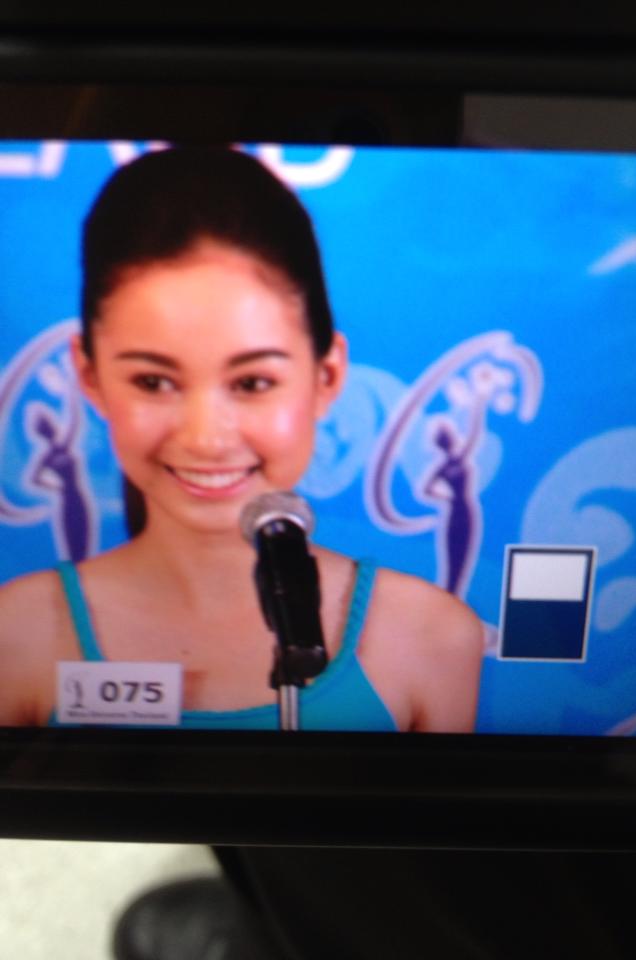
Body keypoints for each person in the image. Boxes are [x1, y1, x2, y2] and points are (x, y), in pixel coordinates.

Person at [0, 146, 484, 732]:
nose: (206, 438)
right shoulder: (15, 637)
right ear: (90, 376)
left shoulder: (432, 637)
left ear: (327, 376)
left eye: (253, 382)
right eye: (153, 382)